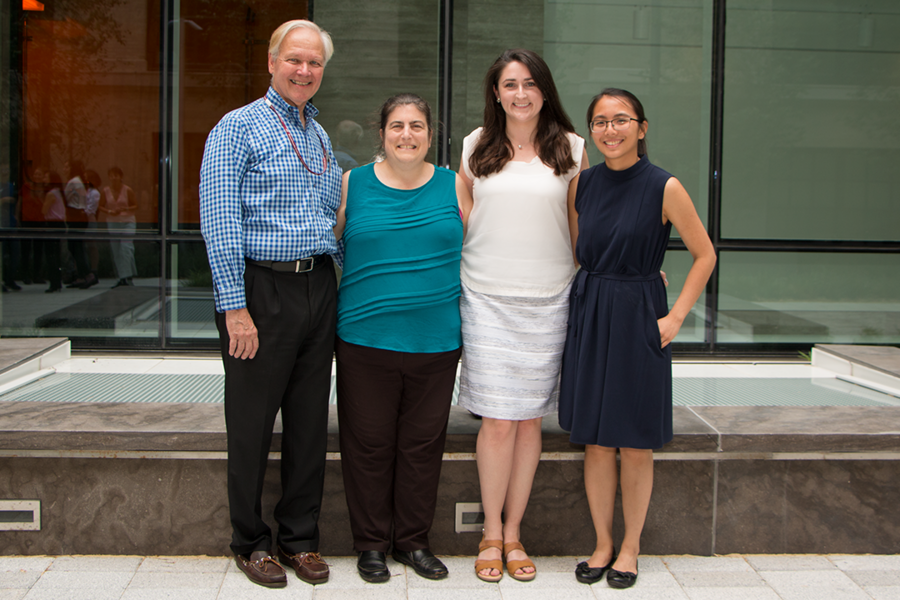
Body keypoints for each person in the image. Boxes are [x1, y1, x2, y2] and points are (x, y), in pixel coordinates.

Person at [199, 19, 340, 589]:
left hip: (317, 286)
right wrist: (235, 306)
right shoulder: (236, 128)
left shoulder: (320, 134)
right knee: (253, 425)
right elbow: (219, 219)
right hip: (260, 290)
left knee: (309, 423)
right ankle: (250, 542)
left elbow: (332, 217)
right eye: (295, 60)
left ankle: (300, 539)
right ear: (272, 61)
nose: (304, 71)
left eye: (315, 64)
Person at [558, 88, 716, 588]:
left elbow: (705, 254)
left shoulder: (664, 186)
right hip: (591, 311)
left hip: (639, 317)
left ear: (641, 128)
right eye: (600, 121)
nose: (610, 129)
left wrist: (674, 318)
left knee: (635, 441)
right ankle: (603, 543)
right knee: (596, 442)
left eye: (621, 119)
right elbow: (581, 252)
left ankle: (631, 547)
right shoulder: (580, 185)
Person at [457, 48, 588, 583]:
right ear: (496, 92)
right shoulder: (475, 145)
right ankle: (491, 531)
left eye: (530, 83)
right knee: (496, 418)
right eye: (509, 84)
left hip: (550, 294)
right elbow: (463, 210)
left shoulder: (574, 149)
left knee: (530, 417)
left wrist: (623, 273)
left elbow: (581, 225)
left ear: (544, 90)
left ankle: (516, 532)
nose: (520, 93)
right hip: (485, 295)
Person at [333, 93, 471, 584]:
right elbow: (328, 244)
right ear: (382, 133)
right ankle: (370, 545)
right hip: (364, 340)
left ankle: (413, 542)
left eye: (416, 126)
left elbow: (487, 252)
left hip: (436, 343)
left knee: (421, 447)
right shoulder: (353, 182)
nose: (406, 135)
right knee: (367, 446)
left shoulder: (457, 186)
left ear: (431, 134)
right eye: (396, 125)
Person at [100, 166, 138, 287]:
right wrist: (110, 212)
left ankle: (127, 276)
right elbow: (100, 206)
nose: (113, 178)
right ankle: (122, 276)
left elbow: (136, 205)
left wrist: (125, 208)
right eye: (111, 176)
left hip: (127, 221)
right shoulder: (105, 191)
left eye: (116, 175)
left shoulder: (127, 190)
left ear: (120, 177)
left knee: (126, 248)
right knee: (116, 249)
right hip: (113, 221)